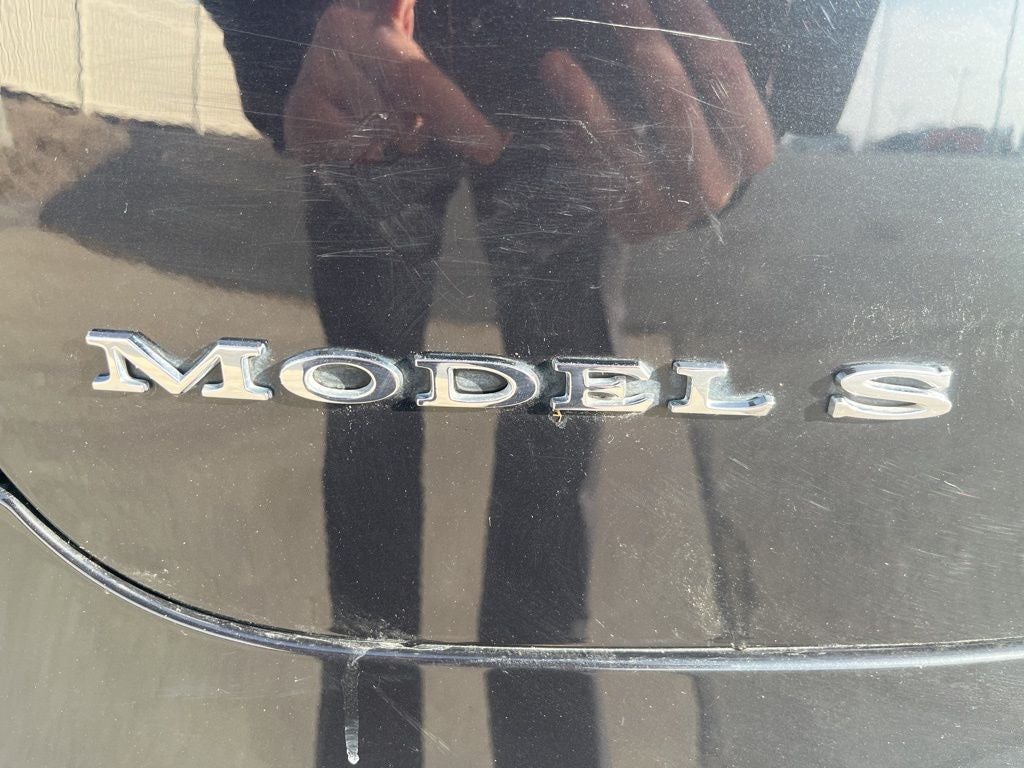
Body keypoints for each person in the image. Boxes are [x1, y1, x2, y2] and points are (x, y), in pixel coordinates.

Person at [200, 1, 875, 764]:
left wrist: (764, 70)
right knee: (390, 437)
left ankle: (482, 698)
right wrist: (286, 40)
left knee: (510, 451)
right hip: (383, 58)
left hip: (567, 73)